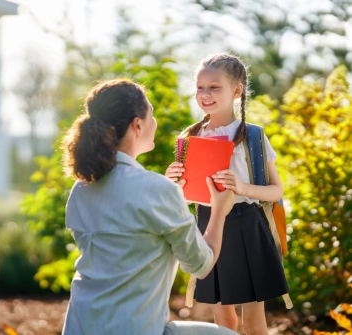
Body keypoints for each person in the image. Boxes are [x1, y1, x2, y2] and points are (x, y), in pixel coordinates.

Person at [61, 78, 239, 335]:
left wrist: (174, 199)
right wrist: (220, 211)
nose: (154, 123)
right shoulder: (156, 190)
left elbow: (127, 226)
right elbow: (201, 265)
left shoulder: (81, 189)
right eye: (151, 115)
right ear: (138, 124)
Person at [165, 53, 289, 335]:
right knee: (223, 319)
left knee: (254, 320)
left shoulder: (253, 136)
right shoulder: (190, 136)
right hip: (209, 225)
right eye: (200, 87)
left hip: (248, 225)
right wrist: (172, 182)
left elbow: (276, 190)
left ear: (237, 90)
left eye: (214, 86)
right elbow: (184, 196)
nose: (205, 94)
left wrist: (242, 188)